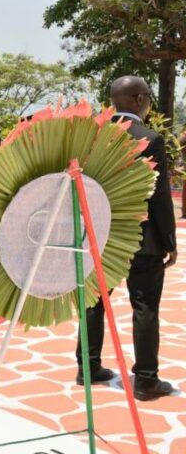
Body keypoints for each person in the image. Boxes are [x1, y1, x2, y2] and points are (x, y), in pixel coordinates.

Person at [76, 75, 177, 401]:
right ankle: (146, 380)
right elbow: (159, 197)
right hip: (142, 238)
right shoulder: (149, 138)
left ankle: (88, 367)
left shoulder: (94, 138)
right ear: (138, 99)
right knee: (144, 306)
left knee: (94, 300)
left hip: (100, 234)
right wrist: (170, 242)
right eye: (147, 96)